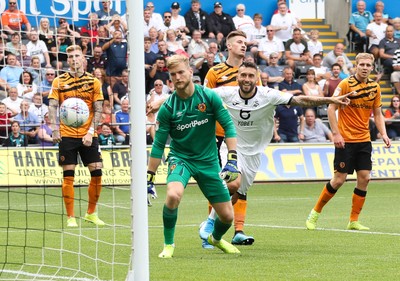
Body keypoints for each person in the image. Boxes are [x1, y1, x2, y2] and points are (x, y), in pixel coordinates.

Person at [198, 62, 351, 248]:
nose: (246, 79)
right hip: (232, 146)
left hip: (255, 152)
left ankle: (216, 232)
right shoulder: (225, 93)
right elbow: (194, 93)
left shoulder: (268, 95)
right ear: (237, 77)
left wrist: (330, 100)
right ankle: (210, 222)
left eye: (250, 76)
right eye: (243, 75)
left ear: (257, 78)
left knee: (236, 195)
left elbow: (301, 100)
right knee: (232, 182)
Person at [147, 54, 241, 258]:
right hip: (181, 159)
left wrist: (232, 158)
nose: (178, 77)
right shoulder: (168, 107)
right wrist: (150, 176)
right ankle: (168, 244)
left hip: (208, 162)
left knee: (227, 217)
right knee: (173, 195)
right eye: (173, 75)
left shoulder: (209, 97)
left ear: (190, 72)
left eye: (181, 72)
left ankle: (214, 239)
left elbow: (229, 127)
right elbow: (158, 144)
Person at [305, 53, 391, 231]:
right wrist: (336, 134)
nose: (365, 68)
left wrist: (383, 134)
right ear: (356, 66)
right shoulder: (346, 84)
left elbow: (377, 113)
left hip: (364, 140)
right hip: (346, 140)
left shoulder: (375, 87)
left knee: (365, 178)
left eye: (368, 65)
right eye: (362, 65)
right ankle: (315, 213)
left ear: (372, 67)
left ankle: (353, 220)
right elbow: (331, 108)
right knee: (339, 180)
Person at [48, 45, 105, 228]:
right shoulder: (59, 81)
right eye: (70, 56)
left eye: (77, 56)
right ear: (68, 60)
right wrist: (55, 128)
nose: (74, 59)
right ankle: (71, 217)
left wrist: (90, 132)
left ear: (83, 59)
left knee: (97, 172)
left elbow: (98, 110)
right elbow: (52, 106)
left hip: (89, 134)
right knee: (68, 175)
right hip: (67, 134)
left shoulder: (94, 82)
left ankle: (91, 213)